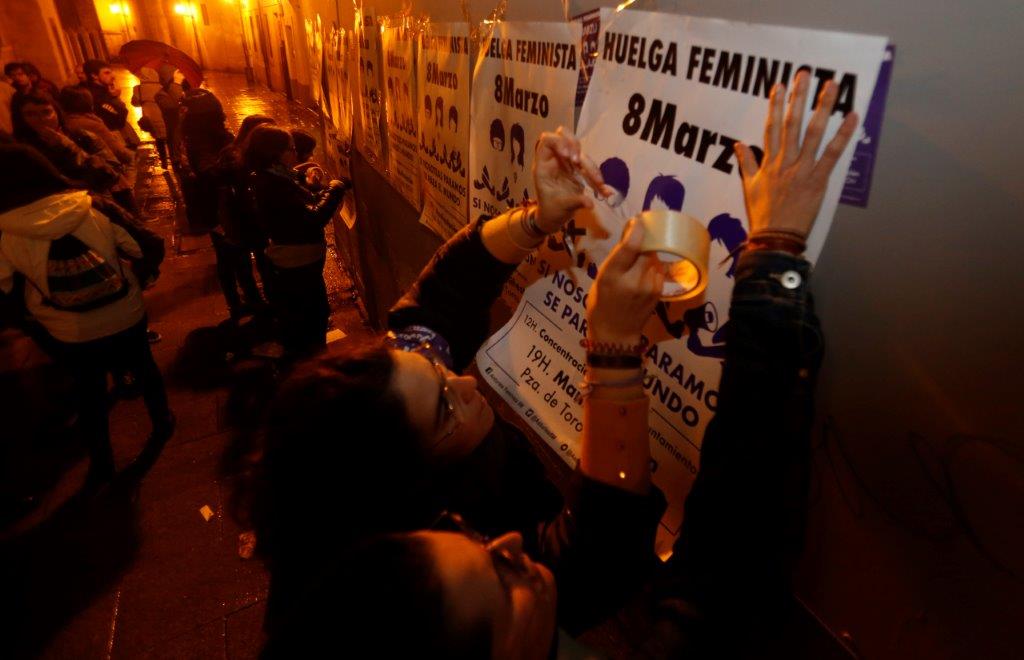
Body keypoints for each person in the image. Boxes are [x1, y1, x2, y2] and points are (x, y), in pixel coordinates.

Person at [268, 72, 858, 658]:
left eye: (467, 539)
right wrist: (774, 253)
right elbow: (714, 565)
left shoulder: (364, 553)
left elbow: (433, 309)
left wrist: (537, 218)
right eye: (444, 409)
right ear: (415, 486)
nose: (464, 380)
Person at [0, 144, 175, 489]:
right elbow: (148, 244)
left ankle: (102, 462)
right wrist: (137, 279)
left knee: (89, 392)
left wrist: (34, 319)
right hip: (123, 314)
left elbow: (4, 294)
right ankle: (162, 421)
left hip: (68, 330)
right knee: (145, 367)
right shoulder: (91, 205)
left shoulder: (5, 231)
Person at [245, 126, 348, 356]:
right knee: (312, 317)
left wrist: (308, 183)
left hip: (294, 261)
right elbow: (313, 218)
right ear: (275, 153)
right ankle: (313, 368)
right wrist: (335, 190)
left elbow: (299, 203)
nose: (295, 154)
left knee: (309, 315)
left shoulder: (275, 176)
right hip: (296, 263)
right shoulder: (272, 185)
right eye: (290, 149)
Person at [213, 114, 277, 320]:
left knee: (264, 261)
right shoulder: (232, 155)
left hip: (256, 220)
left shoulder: (260, 155)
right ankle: (253, 303)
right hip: (238, 220)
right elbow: (226, 190)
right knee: (241, 265)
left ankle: (269, 300)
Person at [59, 85, 133, 168]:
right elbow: (119, 152)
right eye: (106, 72)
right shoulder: (91, 124)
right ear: (88, 102)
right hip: (106, 168)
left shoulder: (67, 121)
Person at [131, 67, 170, 170]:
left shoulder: (138, 88)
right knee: (169, 137)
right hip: (165, 116)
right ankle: (175, 158)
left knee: (159, 139)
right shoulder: (163, 87)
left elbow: (135, 103)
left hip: (150, 119)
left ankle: (164, 161)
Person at [80, 60, 129, 135]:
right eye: (107, 73)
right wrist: (115, 98)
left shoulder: (103, 91)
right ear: (94, 75)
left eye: (111, 72)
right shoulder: (96, 96)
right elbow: (119, 121)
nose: (113, 76)